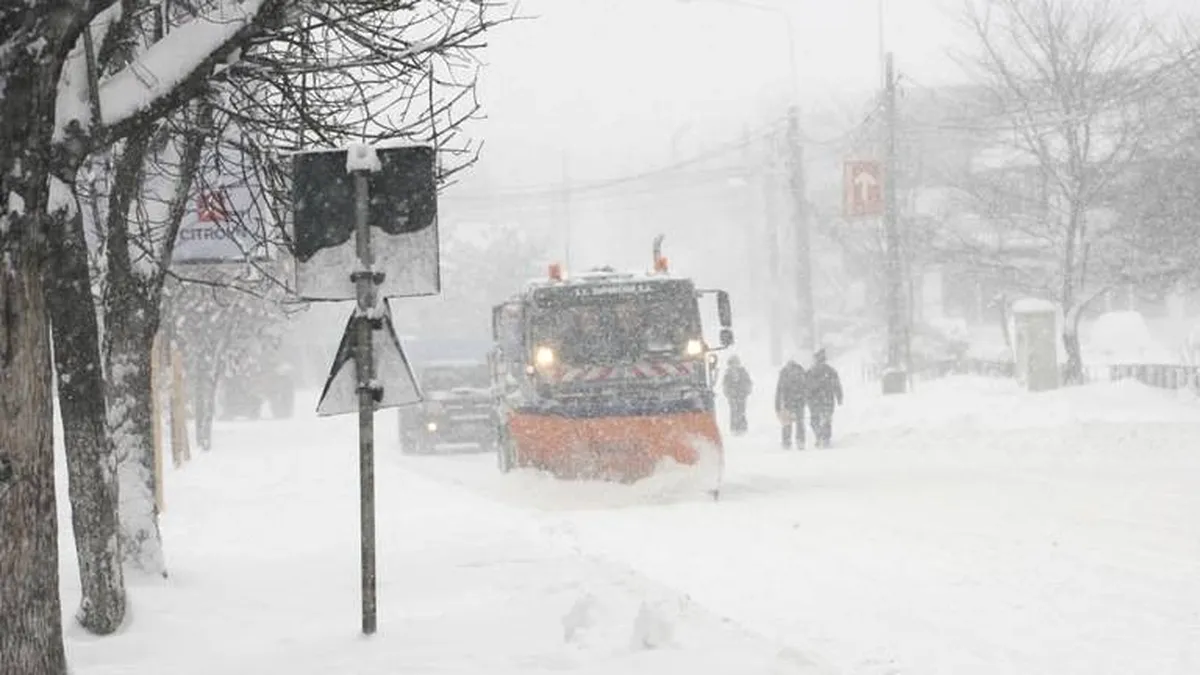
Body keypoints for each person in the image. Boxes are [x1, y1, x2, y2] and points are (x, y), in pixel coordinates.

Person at [806, 348, 843, 448]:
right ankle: (825, 438)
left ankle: (820, 436)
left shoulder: (811, 372)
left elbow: (806, 387)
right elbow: (836, 385)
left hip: (815, 400)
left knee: (816, 420)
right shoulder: (830, 371)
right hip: (826, 399)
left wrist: (807, 398)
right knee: (825, 420)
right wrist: (839, 396)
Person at [774, 356, 808, 449]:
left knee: (787, 423)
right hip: (799, 402)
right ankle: (800, 441)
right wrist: (806, 399)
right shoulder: (800, 372)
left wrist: (777, 405)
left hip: (787, 402)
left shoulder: (784, 373)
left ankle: (786, 442)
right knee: (800, 422)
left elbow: (779, 390)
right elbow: (806, 387)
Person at [721, 355, 753, 435]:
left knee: (741, 411)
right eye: (732, 363)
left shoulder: (743, 372)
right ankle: (734, 428)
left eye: (735, 363)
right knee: (734, 412)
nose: (734, 365)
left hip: (741, 395)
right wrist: (729, 393)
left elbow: (748, 383)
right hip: (732, 396)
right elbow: (725, 385)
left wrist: (745, 391)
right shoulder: (728, 374)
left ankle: (742, 428)